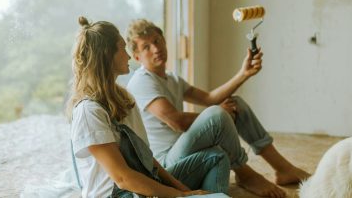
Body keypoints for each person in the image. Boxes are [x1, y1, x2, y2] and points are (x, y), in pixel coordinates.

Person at [126, 19, 310, 198]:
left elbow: (209, 98)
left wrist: (243, 74)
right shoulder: (142, 81)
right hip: (167, 164)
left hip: (186, 150)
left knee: (233, 104)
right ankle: (246, 174)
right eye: (146, 47)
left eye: (157, 41)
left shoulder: (172, 78)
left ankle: (283, 168)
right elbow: (177, 121)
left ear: (165, 42)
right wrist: (219, 111)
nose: (156, 49)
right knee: (217, 114)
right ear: (137, 57)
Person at [67, 17, 231, 198]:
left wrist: (183, 189)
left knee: (216, 157)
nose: (129, 56)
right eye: (123, 48)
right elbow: (123, 178)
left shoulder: (123, 99)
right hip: (121, 194)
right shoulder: (89, 112)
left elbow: (146, 159)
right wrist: (181, 196)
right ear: (107, 55)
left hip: (145, 187)